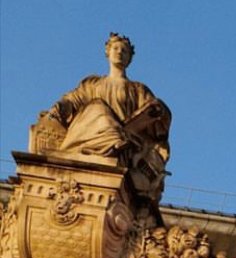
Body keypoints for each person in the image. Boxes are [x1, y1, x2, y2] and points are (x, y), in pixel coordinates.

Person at [33, 33, 171, 201]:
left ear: (130, 58)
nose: (119, 52)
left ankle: (115, 140)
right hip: (93, 132)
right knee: (98, 109)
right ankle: (112, 139)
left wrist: (158, 110)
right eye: (116, 48)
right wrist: (59, 108)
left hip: (128, 143)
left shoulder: (139, 90)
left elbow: (159, 117)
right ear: (108, 52)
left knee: (102, 113)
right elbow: (73, 100)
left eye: (124, 50)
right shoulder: (93, 84)